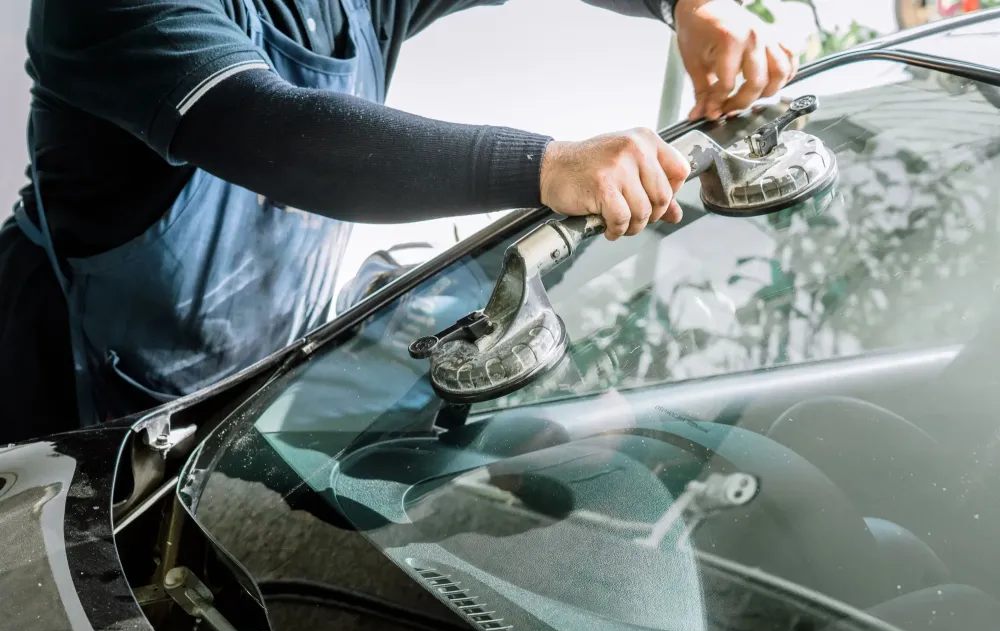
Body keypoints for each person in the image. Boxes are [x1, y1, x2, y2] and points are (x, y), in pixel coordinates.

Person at [0, 0, 798, 440]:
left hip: (250, 365)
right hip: (67, 393)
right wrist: (548, 166)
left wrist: (688, 4)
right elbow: (279, 135)